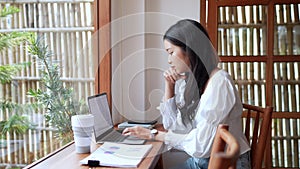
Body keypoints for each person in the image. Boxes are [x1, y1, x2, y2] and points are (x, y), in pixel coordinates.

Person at [122, 19, 251, 169]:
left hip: (225, 164)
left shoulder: (220, 83)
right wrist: (169, 85)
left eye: (171, 52)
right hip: (203, 161)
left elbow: (201, 147)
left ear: (190, 49)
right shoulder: (197, 82)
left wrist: (154, 134)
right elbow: (173, 126)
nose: (169, 61)